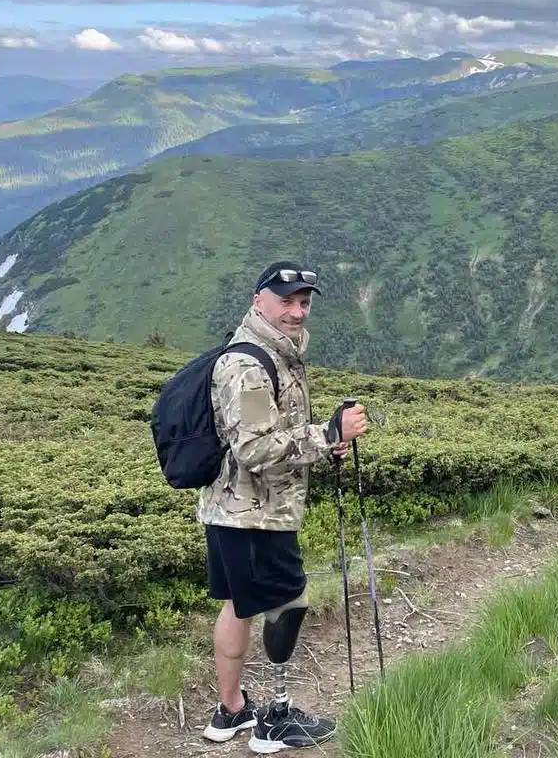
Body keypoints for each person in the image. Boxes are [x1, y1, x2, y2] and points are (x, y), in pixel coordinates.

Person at [198, 260, 367, 752]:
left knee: (239, 605)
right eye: (285, 300)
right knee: (288, 604)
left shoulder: (278, 352)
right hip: (256, 514)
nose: (296, 311)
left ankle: (231, 713)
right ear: (258, 300)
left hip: (232, 510)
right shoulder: (249, 364)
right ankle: (275, 719)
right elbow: (254, 448)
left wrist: (322, 444)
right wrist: (328, 434)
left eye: (303, 302)